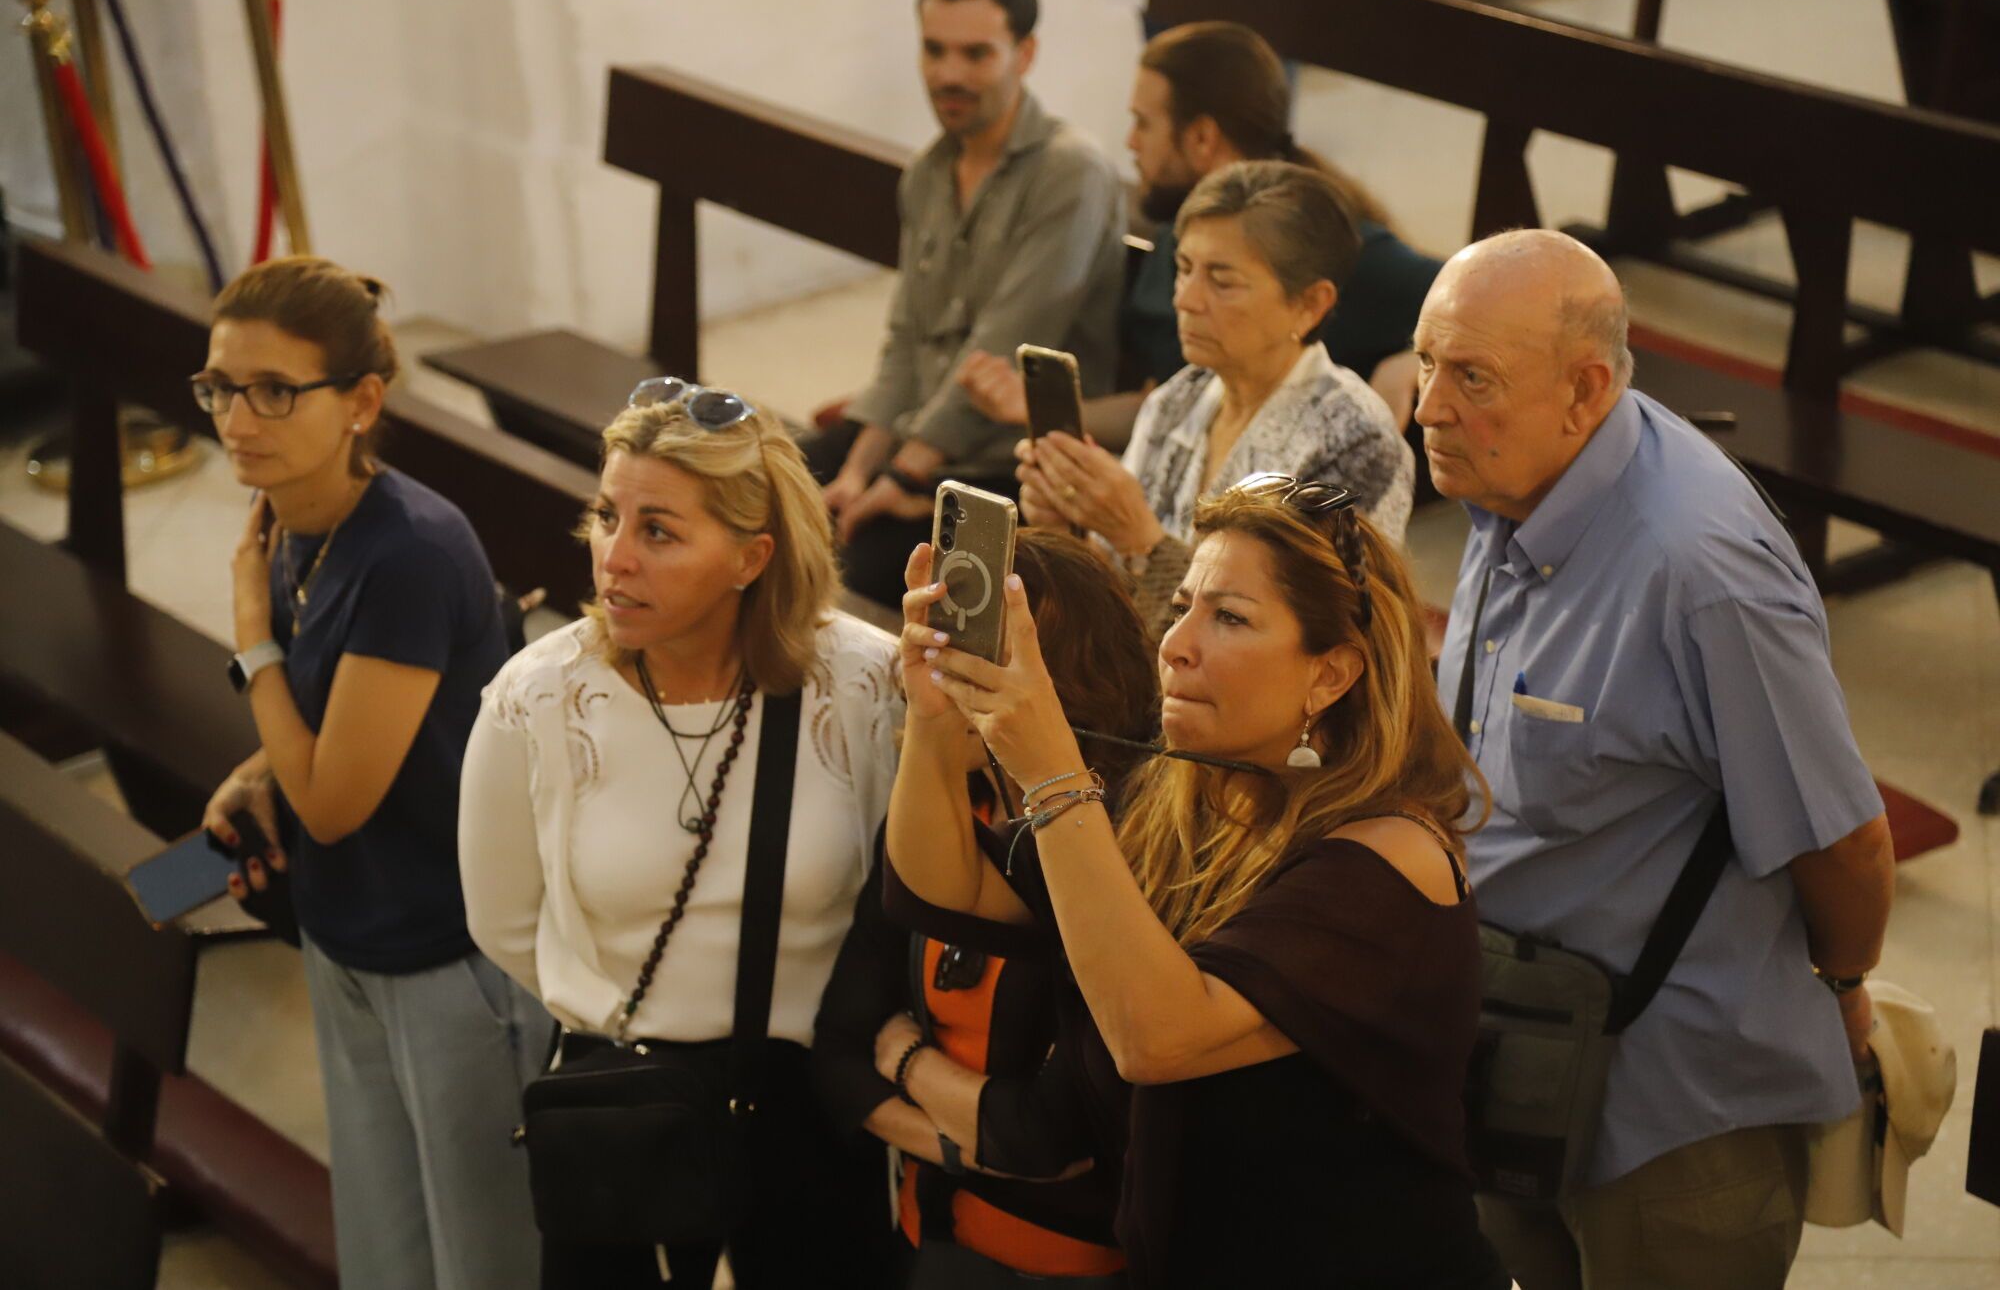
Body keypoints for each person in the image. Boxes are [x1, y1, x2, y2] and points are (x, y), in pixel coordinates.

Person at [1420, 229, 1896, 1290]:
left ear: (1583, 391)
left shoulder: (1701, 573)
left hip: (1673, 1116)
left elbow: (1850, 844)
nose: (1427, 406)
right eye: (1422, 362)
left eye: (1468, 376)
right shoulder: (1513, 472)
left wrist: (1846, 987)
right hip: (1515, 1045)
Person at [889, 480, 1511, 1288]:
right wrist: (935, 719)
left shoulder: (1392, 863)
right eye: (1181, 605)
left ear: (1331, 675)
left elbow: (1158, 1037)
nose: (1176, 643)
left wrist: (1050, 771)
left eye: (1229, 617)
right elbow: (949, 888)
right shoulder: (1175, 802)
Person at [458, 382, 905, 1288]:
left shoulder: (866, 686)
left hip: (810, 1103)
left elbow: (903, 895)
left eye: (658, 531)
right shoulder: (536, 699)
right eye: (605, 516)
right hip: (622, 1097)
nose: (613, 559)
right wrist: (626, 1010)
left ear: (752, 557)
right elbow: (501, 915)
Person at [195, 257, 546, 1290]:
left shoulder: (409, 555)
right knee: (388, 1256)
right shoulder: (295, 524)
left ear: (361, 402)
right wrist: (259, 764)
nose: (238, 418)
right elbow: (343, 716)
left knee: (485, 1264)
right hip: (348, 936)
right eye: (220, 387)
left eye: (273, 390)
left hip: (447, 960)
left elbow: (337, 806)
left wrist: (253, 639)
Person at [813, 529, 1159, 1286]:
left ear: (1061, 676)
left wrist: (906, 1059)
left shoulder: (1120, 845)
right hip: (930, 1233)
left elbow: (1050, 1137)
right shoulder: (941, 813)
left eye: (984, 654)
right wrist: (962, 1141)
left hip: (1075, 1264)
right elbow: (838, 1053)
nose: (952, 674)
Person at [802, 0, 1126, 609]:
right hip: (920, 440)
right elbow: (905, 341)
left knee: (853, 574)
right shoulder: (926, 173)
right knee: (757, 496)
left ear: (1025, 53)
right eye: (935, 50)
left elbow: (1002, 347)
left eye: (977, 54)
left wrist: (900, 471)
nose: (950, 74)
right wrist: (862, 468)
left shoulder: (1070, 174)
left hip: (1015, 470)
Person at [958, 19, 1441, 445]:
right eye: (1189, 273)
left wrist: (1409, 357)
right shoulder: (1183, 227)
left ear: (1202, 138)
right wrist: (1034, 408)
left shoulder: (1327, 242)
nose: (1130, 142)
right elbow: (1164, 404)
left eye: (1142, 124)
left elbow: (1470, 297)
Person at [1014, 160, 1413, 644]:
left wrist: (1142, 541)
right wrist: (1065, 532)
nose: (1185, 299)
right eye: (1183, 269)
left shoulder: (1356, 438)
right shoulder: (1175, 400)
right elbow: (1113, 608)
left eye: (1221, 281)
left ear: (1310, 304)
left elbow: (1314, 645)